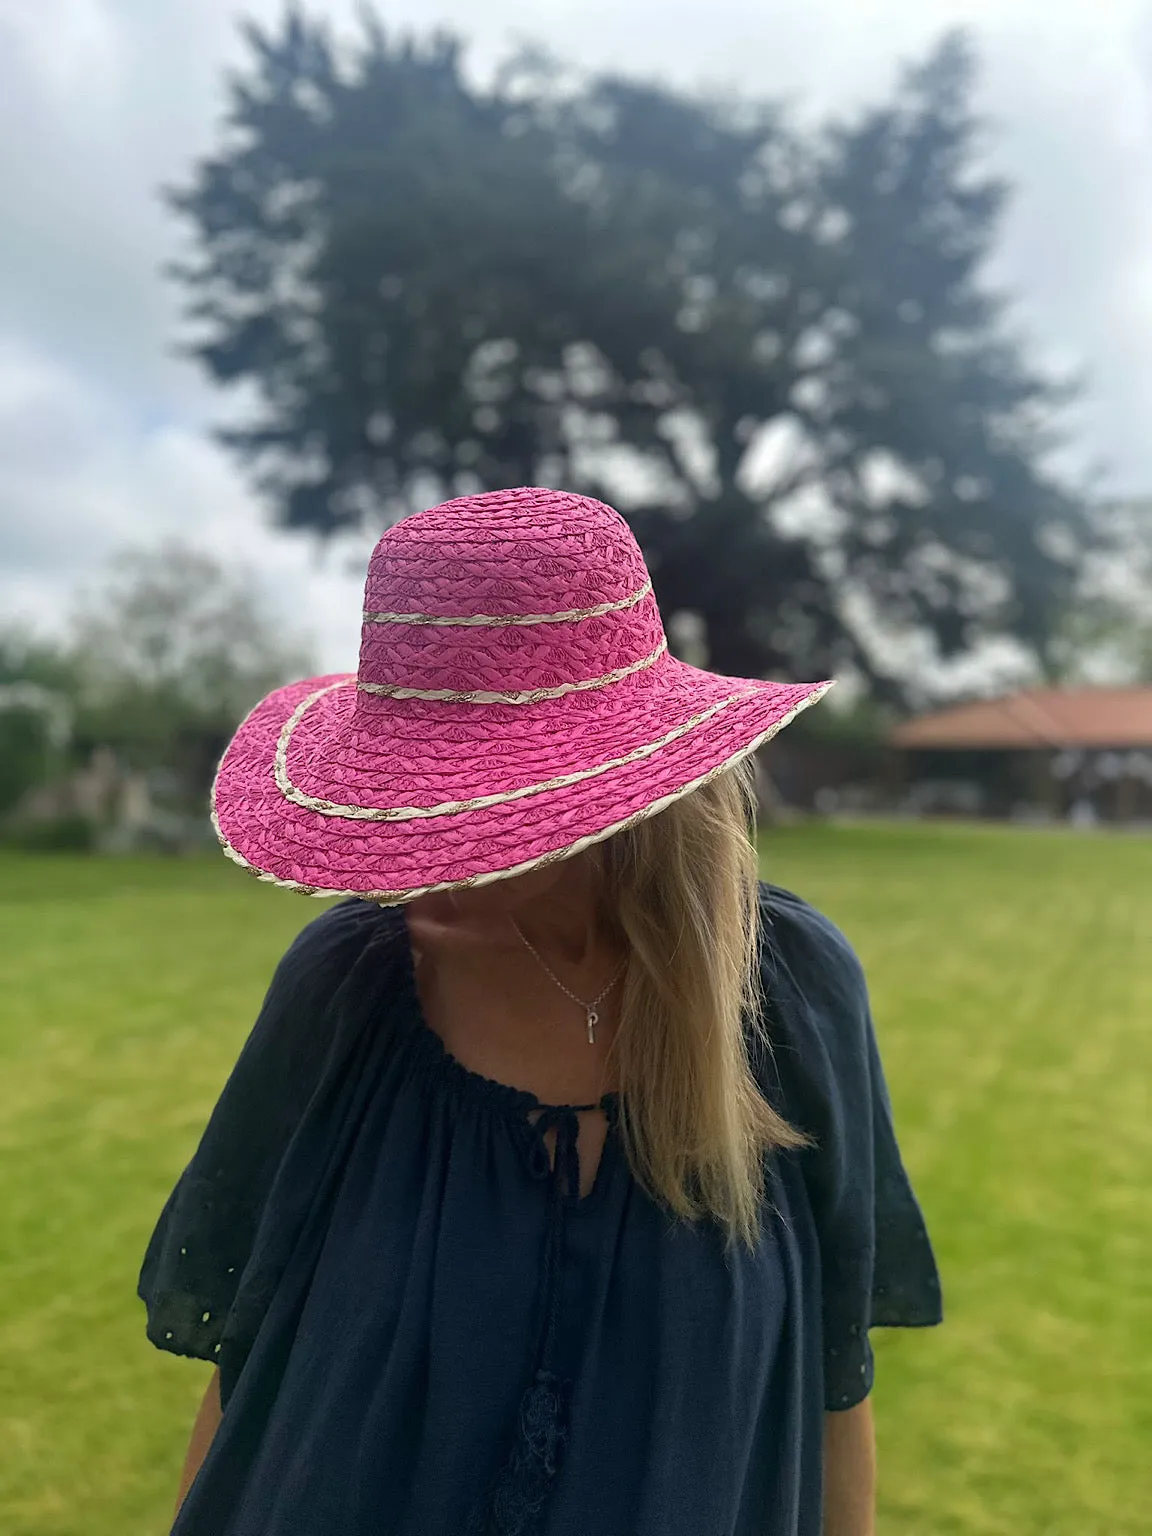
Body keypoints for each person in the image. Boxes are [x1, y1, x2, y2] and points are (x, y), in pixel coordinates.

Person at [138, 487, 941, 1536]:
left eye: (468, 793)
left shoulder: (787, 993)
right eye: (407, 784)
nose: (413, 840)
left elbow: (837, 1373)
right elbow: (250, 1366)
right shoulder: (349, 987)